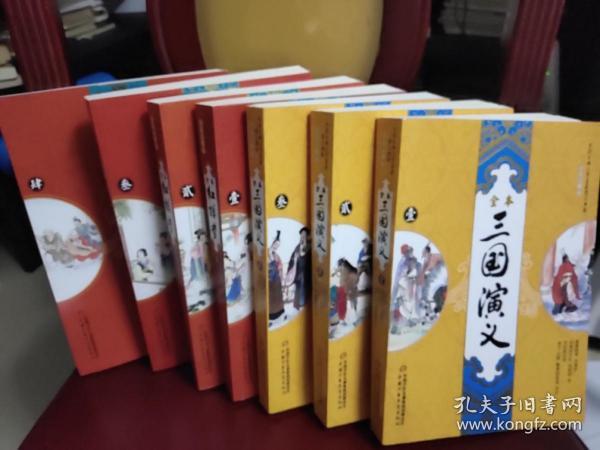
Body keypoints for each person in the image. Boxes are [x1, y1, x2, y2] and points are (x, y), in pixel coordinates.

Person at [287, 227, 311, 310]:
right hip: (298, 274)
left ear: (308, 236)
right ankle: (299, 307)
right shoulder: (297, 248)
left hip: (307, 274)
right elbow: (291, 260)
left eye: (304, 235)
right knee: (298, 291)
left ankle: (304, 306)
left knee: (306, 293)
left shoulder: (310, 246)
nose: (302, 237)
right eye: (301, 235)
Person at [268, 231, 286, 324]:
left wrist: (281, 273)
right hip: (270, 278)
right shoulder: (268, 253)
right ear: (272, 243)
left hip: (277, 278)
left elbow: (280, 266)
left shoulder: (276, 255)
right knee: (271, 296)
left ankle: (280, 312)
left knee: (278, 296)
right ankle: (272, 315)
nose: (276, 246)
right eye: (275, 244)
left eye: (278, 245)